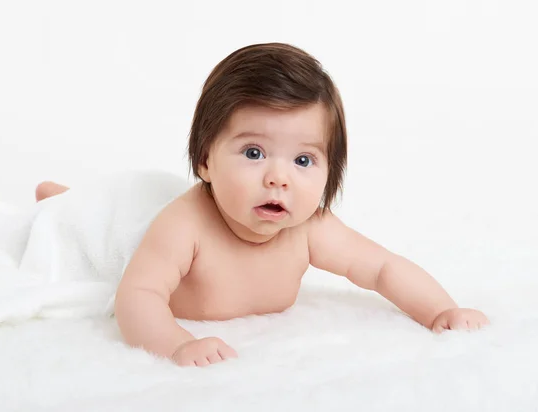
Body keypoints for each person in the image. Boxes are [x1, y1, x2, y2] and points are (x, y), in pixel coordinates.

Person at [36, 42, 490, 367]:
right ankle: (64, 199)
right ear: (205, 160)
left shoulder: (309, 227)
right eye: (253, 153)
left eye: (304, 159)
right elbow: (137, 295)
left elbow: (382, 268)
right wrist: (175, 345)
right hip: (129, 224)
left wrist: (440, 311)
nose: (279, 177)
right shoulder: (184, 226)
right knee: (84, 219)